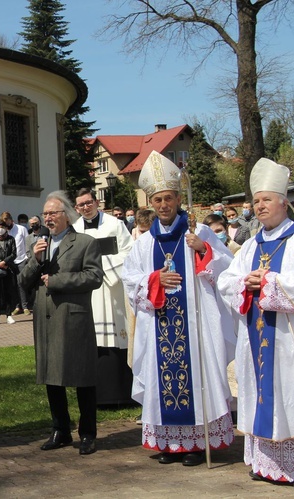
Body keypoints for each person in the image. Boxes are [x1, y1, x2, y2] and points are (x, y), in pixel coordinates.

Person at [218, 158, 294, 492]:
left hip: (293, 339)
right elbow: (227, 280)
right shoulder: (252, 244)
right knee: (262, 395)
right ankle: (268, 464)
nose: (259, 206)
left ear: (283, 202)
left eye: (266, 200)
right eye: (256, 201)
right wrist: (246, 280)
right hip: (258, 337)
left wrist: (271, 281)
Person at [122, 152, 235, 467]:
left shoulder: (198, 233)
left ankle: (197, 444)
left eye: (168, 198)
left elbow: (228, 269)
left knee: (197, 377)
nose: (162, 205)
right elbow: (129, 281)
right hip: (159, 323)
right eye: (157, 200)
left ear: (177, 198)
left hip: (195, 325)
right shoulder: (146, 244)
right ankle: (170, 442)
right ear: (151, 203)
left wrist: (205, 251)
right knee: (162, 381)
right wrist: (155, 278)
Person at [18, 191, 104, 456]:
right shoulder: (39, 244)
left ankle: (88, 433)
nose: (48, 218)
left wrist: (58, 281)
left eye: (53, 213)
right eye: (45, 214)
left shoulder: (84, 242)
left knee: (82, 376)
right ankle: (61, 430)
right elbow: (23, 281)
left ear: (67, 215)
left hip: (72, 317)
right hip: (45, 319)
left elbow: (94, 277)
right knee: (51, 376)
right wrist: (36, 259)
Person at [72, 188, 134, 405]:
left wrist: (101, 267)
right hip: (89, 290)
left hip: (112, 289)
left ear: (96, 202)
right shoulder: (75, 229)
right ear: (76, 208)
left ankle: (121, 394)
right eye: (81, 205)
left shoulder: (114, 224)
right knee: (92, 340)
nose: (86, 207)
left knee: (118, 338)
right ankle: (97, 396)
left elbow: (129, 252)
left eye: (89, 203)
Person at [1, 211, 30, 315]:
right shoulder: (5, 231)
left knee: (21, 283)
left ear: (10, 219)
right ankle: (17, 306)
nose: (6, 224)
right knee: (13, 285)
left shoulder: (21, 229)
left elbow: (27, 242)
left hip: (22, 259)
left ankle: (25, 306)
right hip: (11, 261)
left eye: (7, 221)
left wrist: (27, 257)